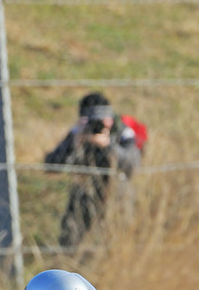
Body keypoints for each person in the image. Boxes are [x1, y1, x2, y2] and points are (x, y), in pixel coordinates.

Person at [45, 91, 142, 250]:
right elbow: (51, 165)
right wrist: (76, 143)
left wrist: (108, 146)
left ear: (110, 118)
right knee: (70, 236)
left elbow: (133, 164)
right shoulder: (79, 133)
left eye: (103, 119)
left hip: (117, 192)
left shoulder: (123, 132)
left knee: (120, 241)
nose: (97, 124)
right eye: (92, 120)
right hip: (84, 190)